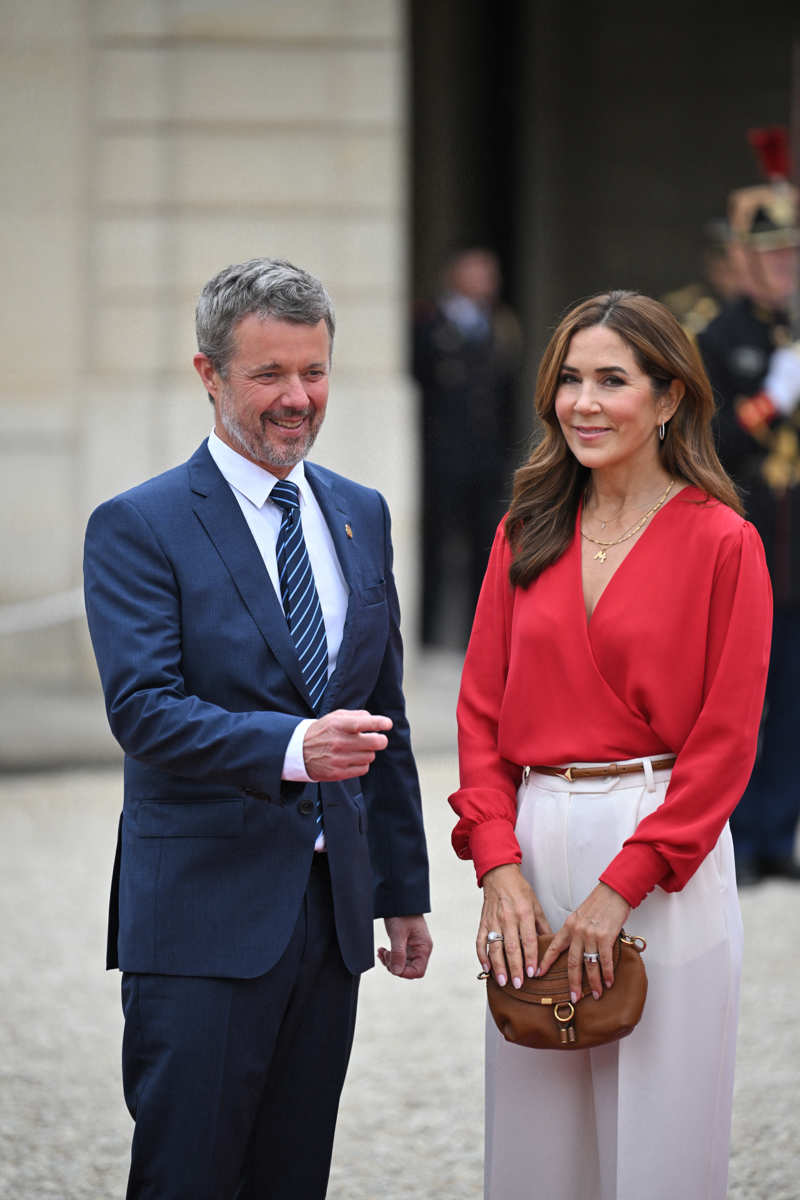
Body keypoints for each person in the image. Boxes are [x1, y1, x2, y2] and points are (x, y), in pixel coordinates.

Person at [83, 257, 432, 1199]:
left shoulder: (360, 513)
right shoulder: (139, 525)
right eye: (269, 375)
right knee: (188, 1177)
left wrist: (400, 889)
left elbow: (385, 716)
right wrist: (291, 749)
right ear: (208, 375)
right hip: (200, 920)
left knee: (292, 1178)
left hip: (330, 920)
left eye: (313, 372)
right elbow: (142, 708)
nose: (297, 398)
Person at [449, 291, 771, 1200]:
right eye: (569, 381)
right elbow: (478, 714)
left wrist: (623, 885)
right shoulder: (527, 530)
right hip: (535, 832)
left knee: (662, 1138)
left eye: (612, 381)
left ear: (669, 399)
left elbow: (724, 746)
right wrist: (498, 866)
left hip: (663, 849)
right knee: (535, 1144)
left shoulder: (725, 544)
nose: (582, 403)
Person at [697, 172, 800, 885]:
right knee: (746, 703)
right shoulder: (717, 336)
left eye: (793, 254)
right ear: (747, 259)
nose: (786, 267)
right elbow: (706, 443)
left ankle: (777, 837)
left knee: (794, 701)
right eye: (774, 255)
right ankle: (738, 834)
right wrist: (770, 401)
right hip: (749, 540)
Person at [413, 246, 522, 646]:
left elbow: (504, 397)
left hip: (486, 459)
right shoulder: (428, 323)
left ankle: (476, 637)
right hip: (440, 458)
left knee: (486, 547)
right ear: (455, 274)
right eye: (477, 272)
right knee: (436, 547)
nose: (486, 281)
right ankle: (427, 634)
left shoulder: (500, 325)